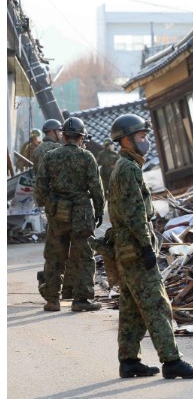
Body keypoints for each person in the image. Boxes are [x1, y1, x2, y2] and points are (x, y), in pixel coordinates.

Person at [107, 114, 193, 379]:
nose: (145, 141)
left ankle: (129, 361)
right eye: (141, 136)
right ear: (126, 140)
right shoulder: (128, 169)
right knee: (157, 305)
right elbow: (134, 212)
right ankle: (172, 361)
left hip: (126, 249)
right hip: (136, 249)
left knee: (131, 308)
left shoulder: (124, 166)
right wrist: (146, 247)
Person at [34, 117, 103, 313]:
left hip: (58, 212)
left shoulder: (50, 156)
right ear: (81, 137)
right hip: (82, 212)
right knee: (84, 256)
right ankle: (81, 299)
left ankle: (52, 300)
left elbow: (40, 188)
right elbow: (97, 189)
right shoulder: (87, 157)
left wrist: (50, 205)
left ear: (63, 136)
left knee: (55, 256)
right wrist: (98, 210)